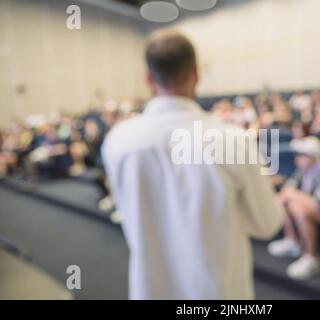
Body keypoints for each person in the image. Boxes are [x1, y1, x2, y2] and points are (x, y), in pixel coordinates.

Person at [102, 29, 283, 300]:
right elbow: (267, 224)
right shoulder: (231, 139)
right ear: (196, 74)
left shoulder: (117, 140)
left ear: (149, 79)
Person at [267, 136, 320, 279]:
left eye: (302, 155)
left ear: (314, 156)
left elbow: (319, 204)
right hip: (309, 207)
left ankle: (312, 256)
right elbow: (287, 190)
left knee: (297, 207)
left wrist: (291, 194)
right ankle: (292, 241)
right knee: (287, 202)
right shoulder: (302, 170)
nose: (298, 158)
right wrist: (286, 196)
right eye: (298, 155)